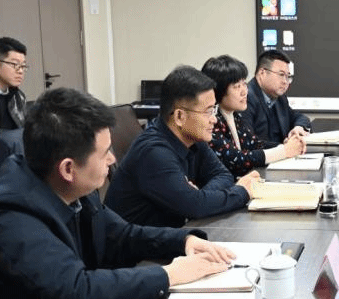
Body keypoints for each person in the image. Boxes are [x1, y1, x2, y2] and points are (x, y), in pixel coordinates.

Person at [0, 88, 234, 299]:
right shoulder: (12, 213)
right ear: (68, 168)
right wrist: (169, 274)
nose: (113, 159)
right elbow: (76, 290)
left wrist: (184, 241)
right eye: (105, 152)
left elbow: (122, 235)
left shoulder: (73, 187)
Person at [105, 66, 258, 227]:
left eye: (214, 110)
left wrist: (199, 195)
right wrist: (243, 192)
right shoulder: (153, 152)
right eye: (208, 112)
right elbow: (196, 207)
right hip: (142, 241)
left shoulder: (194, 138)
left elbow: (223, 175)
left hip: (173, 233)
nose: (214, 119)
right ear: (179, 116)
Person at [202, 55, 306, 176]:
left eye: (244, 84)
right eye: (237, 86)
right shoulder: (212, 120)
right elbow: (236, 159)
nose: (244, 91)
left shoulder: (234, 115)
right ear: (218, 90)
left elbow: (255, 144)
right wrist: (284, 151)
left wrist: (287, 145)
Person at [245, 50, 311, 145]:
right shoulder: (246, 98)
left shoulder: (280, 98)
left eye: (288, 76)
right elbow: (249, 143)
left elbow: (298, 117)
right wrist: (285, 147)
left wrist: (299, 127)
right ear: (262, 73)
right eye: (281, 75)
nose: (285, 81)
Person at [0, 37, 28, 144]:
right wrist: (12, 137)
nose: (20, 71)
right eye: (15, 65)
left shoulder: (19, 96)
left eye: (23, 66)